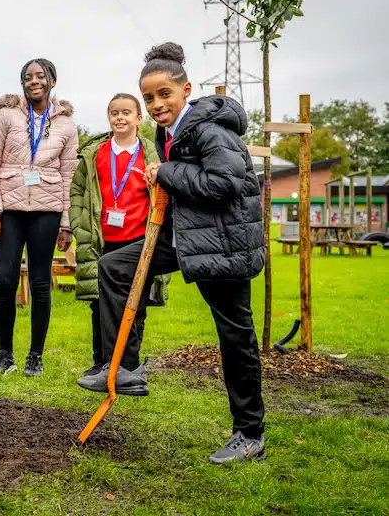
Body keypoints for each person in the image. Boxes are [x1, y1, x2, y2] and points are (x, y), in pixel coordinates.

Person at [77, 42, 266, 464]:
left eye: (165, 94)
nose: (157, 104)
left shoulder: (211, 129)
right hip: (185, 238)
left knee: (234, 336)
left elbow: (225, 184)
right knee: (114, 266)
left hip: (223, 244)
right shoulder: (168, 133)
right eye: (149, 98)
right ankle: (125, 367)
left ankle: (249, 434)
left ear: (186, 90)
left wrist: (166, 172)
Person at [0, 58, 79, 377]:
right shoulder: (6, 116)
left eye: (40, 76)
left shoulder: (66, 124)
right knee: (6, 280)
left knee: (40, 283)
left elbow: (69, 175)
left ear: (52, 80)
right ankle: (4, 355)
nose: (33, 81)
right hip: (9, 210)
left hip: (47, 212)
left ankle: (35, 356)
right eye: (27, 77)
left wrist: (66, 223)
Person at [69, 93, 168, 389]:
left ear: (139, 118)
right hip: (102, 241)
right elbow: (77, 191)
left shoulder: (152, 154)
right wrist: (79, 225)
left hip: (138, 241)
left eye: (127, 112)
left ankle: (130, 363)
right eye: (114, 113)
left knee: (135, 304)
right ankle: (102, 361)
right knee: (99, 304)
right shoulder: (96, 154)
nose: (120, 118)